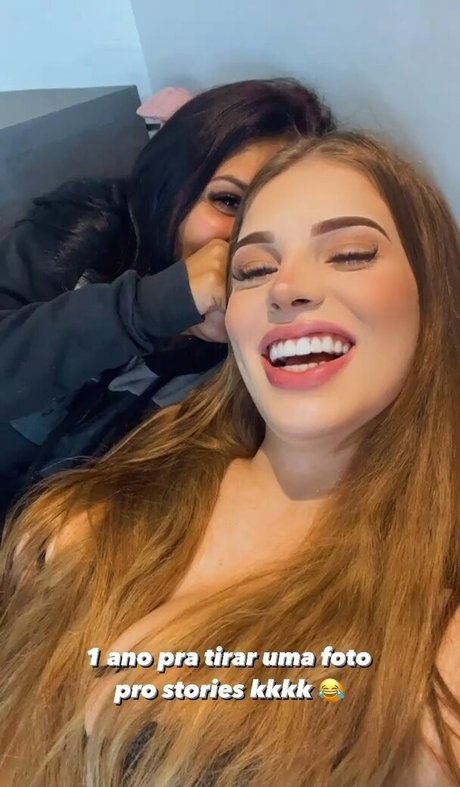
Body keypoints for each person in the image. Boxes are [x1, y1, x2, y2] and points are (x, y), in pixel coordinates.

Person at [1, 131, 460, 787]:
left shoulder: (436, 654)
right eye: (252, 269)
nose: (285, 288)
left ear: (433, 295)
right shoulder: (79, 527)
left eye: (350, 253)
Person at [0, 78, 335, 527]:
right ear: (170, 186)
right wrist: (152, 307)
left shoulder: (253, 358)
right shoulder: (82, 234)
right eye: (228, 201)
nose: (244, 243)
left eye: (275, 218)